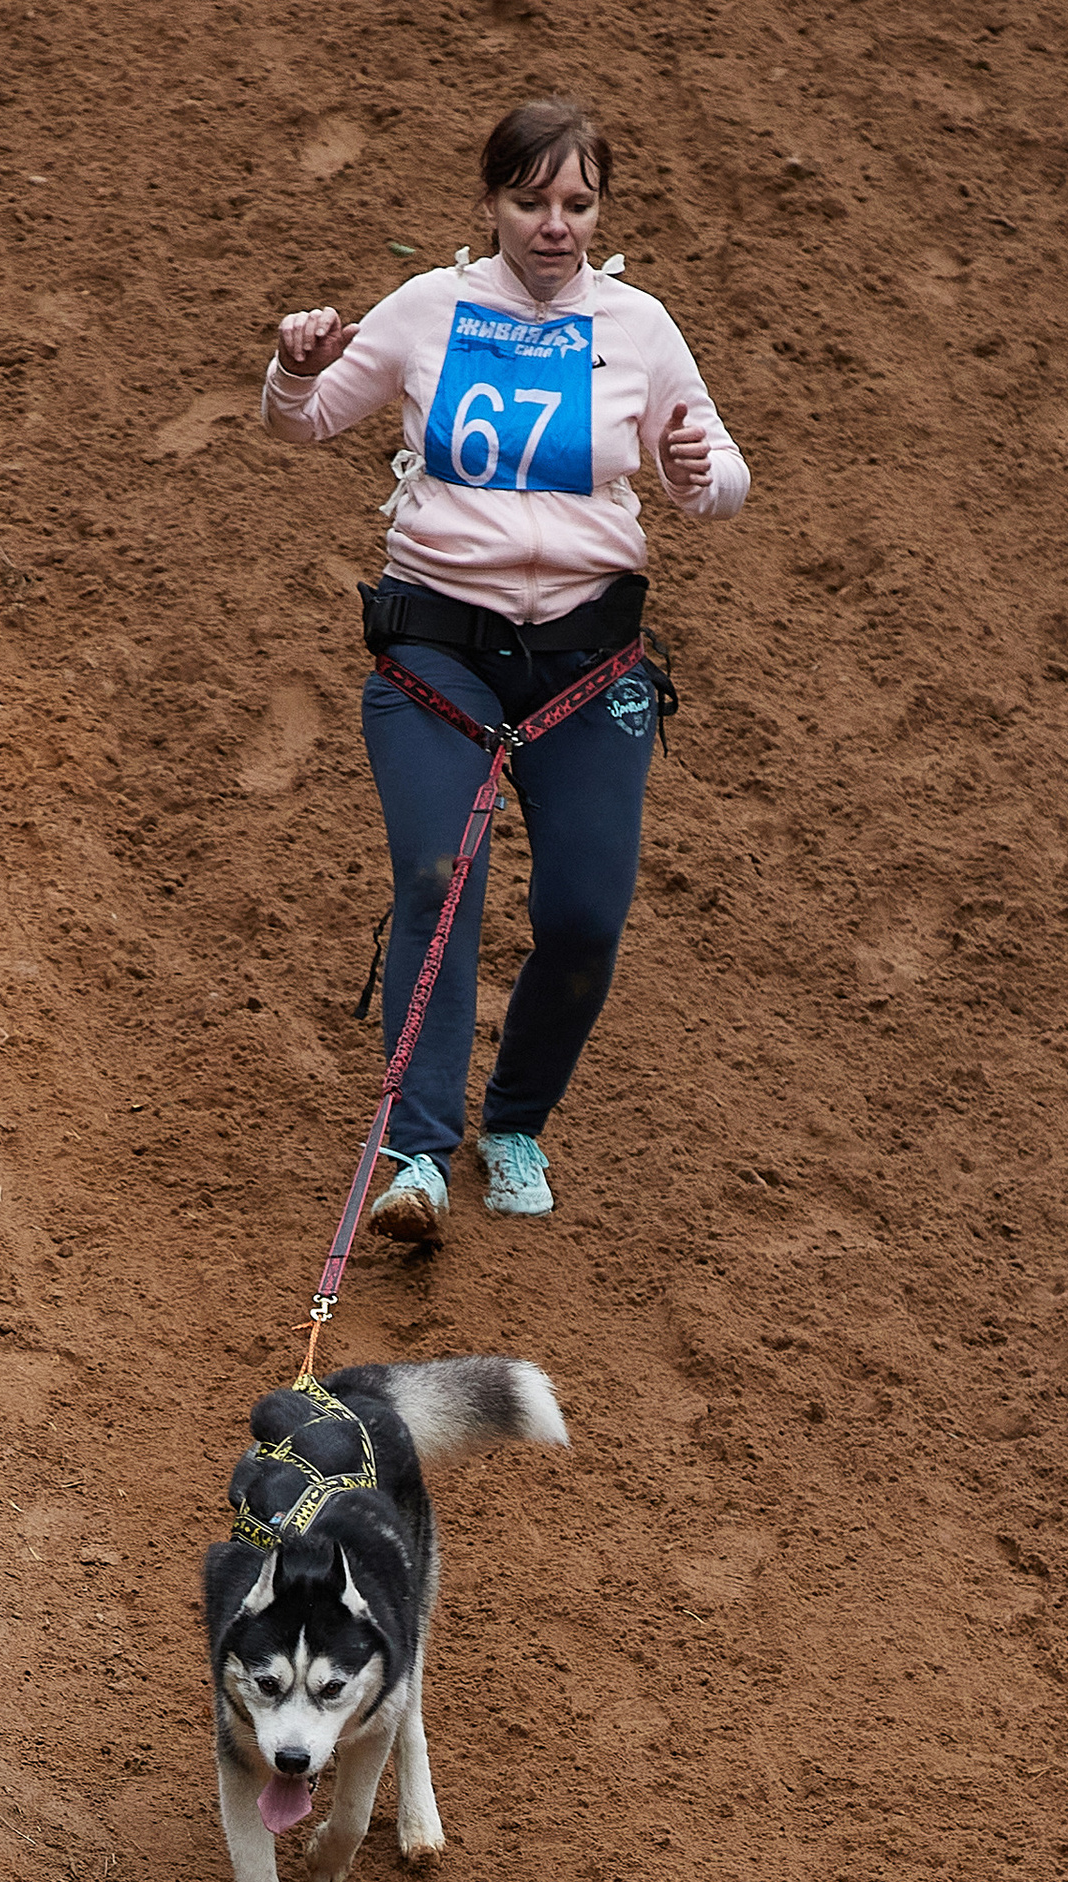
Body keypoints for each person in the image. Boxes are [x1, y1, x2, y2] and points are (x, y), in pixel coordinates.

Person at [261, 96, 748, 1243]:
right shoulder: (431, 306)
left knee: (585, 914)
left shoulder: (638, 325)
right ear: (487, 205)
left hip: (589, 659)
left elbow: (722, 478)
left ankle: (515, 1121)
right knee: (441, 877)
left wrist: (689, 467)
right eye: (530, 202)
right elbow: (308, 421)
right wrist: (292, 368)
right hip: (439, 650)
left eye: (576, 204)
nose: (554, 226)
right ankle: (417, 1157)